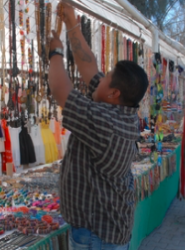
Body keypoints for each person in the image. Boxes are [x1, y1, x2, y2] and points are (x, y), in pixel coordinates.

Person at [48, 3, 149, 249]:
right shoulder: (120, 109)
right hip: (104, 231)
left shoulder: (106, 122)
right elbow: (89, 66)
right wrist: (72, 24)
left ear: (114, 93)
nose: (100, 77)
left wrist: (55, 54)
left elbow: (61, 91)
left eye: (107, 76)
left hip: (97, 236)